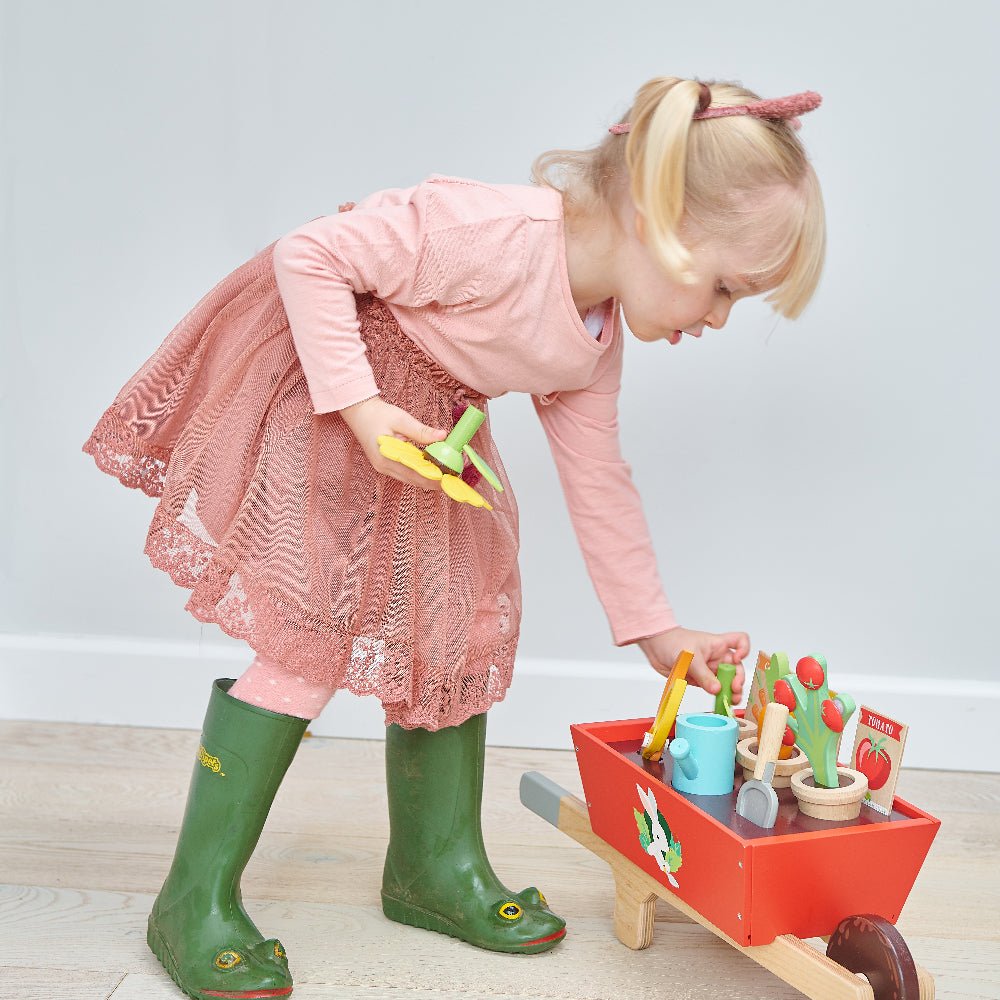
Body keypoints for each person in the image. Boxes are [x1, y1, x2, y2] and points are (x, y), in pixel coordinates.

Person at [82, 75, 825, 999]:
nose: (715, 319)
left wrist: (656, 631)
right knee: (308, 643)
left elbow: (599, 479)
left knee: (463, 627)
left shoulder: (594, 339)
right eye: (723, 288)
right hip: (330, 394)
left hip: (426, 432)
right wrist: (360, 409)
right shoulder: (489, 233)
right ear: (655, 217)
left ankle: (432, 871)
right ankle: (191, 900)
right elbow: (310, 255)